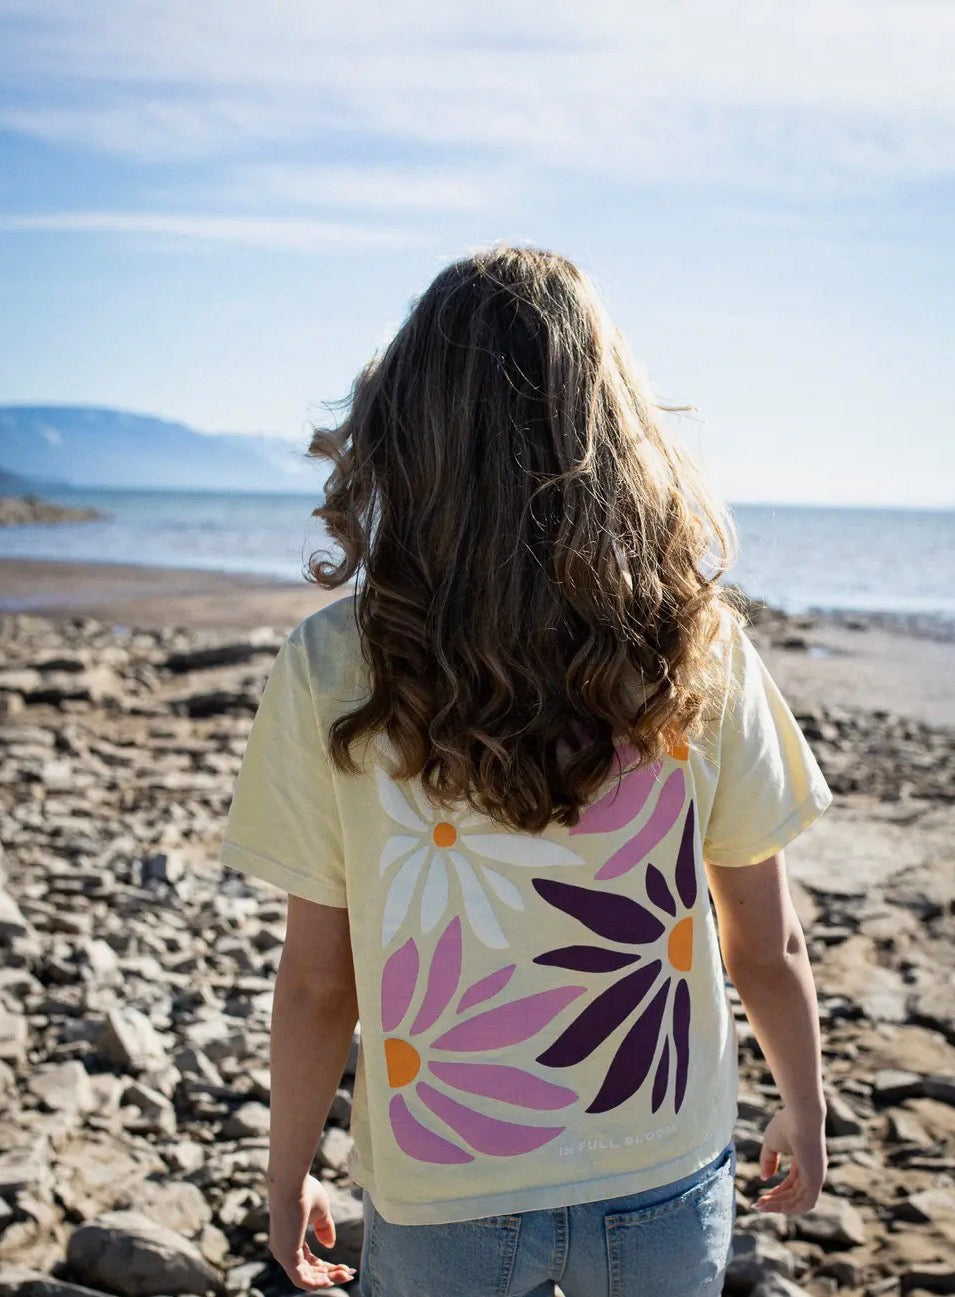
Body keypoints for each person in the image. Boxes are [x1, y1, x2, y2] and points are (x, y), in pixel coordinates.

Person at [219, 245, 832, 1297]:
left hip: (440, 1172)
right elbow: (763, 939)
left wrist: (288, 1173)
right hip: (659, 1159)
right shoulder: (696, 645)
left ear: (407, 432)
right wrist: (804, 1102)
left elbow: (321, 980)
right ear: (617, 431)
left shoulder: (334, 663)